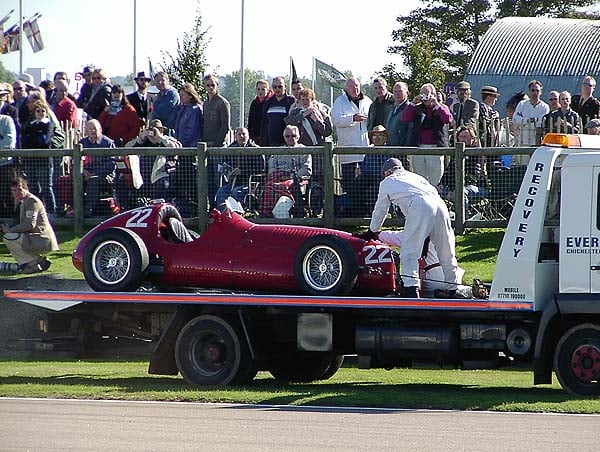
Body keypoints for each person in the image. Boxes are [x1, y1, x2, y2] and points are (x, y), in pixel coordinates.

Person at [362, 158, 460, 298]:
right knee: (446, 250)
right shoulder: (416, 177)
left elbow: (380, 210)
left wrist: (372, 231)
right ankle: (453, 288)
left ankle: (411, 289)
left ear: (388, 172)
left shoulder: (387, 182)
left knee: (409, 252)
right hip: (440, 205)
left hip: (420, 205)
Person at [378, 230, 464, 297]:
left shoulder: (418, 232)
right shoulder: (448, 231)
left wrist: (376, 233)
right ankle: (463, 292)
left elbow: (390, 237)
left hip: (432, 278)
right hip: (453, 276)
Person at [331, 77, 373, 216]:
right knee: (349, 182)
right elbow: (336, 120)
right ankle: (351, 212)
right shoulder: (339, 102)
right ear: (346, 88)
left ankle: (364, 211)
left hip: (365, 148)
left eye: (356, 86)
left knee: (365, 181)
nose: (355, 89)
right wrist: (352, 118)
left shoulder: (367, 101)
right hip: (348, 149)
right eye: (351, 87)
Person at [0, 177, 59, 274]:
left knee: (9, 237)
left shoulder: (32, 201)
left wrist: (10, 230)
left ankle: (33, 262)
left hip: (42, 239)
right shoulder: (23, 202)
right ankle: (36, 261)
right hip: (34, 238)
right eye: (14, 190)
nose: (16, 193)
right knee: (11, 237)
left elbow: (29, 224)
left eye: (19, 189)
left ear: (26, 188)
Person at [402, 83, 453, 186]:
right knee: (419, 179)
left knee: (435, 179)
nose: (425, 98)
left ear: (434, 95)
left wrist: (436, 104)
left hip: (435, 148)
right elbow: (404, 118)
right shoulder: (416, 108)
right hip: (419, 147)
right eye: (423, 95)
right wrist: (412, 103)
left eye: (428, 95)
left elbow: (448, 119)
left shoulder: (441, 107)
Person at [261, 125, 312, 218]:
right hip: (278, 177)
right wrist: (279, 175)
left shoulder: (304, 150)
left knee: (283, 186)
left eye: (292, 136)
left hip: (296, 179)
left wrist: (293, 176)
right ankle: (267, 213)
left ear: (297, 137)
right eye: (287, 136)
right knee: (269, 186)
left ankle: (286, 211)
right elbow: (271, 168)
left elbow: (307, 169)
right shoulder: (278, 151)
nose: (290, 138)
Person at [125, 119, 182, 201]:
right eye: (151, 130)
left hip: (160, 177)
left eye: (157, 129)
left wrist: (160, 137)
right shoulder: (143, 142)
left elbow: (176, 148)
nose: (153, 133)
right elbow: (126, 148)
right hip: (143, 178)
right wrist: (140, 139)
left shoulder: (167, 140)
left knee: (162, 183)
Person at [215, 127, 265, 209]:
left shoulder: (256, 150)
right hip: (233, 182)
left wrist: (242, 171)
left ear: (248, 136)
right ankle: (224, 216)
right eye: (239, 134)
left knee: (236, 192)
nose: (241, 136)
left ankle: (237, 215)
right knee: (221, 192)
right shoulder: (230, 149)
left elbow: (261, 169)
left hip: (249, 184)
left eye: (244, 134)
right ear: (235, 136)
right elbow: (224, 165)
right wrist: (228, 172)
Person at [79, 120, 117, 217]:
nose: (92, 131)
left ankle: (88, 210)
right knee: (72, 180)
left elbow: (111, 166)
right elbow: (75, 161)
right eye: (89, 129)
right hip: (85, 174)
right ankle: (75, 208)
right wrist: (83, 171)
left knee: (93, 181)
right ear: (86, 131)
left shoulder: (108, 143)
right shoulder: (82, 143)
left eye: (94, 129)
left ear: (100, 129)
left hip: (105, 176)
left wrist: (94, 174)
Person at [512, 80, 549, 153]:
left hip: (537, 142)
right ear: (529, 91)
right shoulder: (522, 104)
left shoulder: (544, 107)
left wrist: (523, 121)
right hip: (523, 141)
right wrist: (528, 120)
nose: (535, 93)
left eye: (537, 91)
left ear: (540, 92)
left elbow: (540, 123)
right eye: (533, 90)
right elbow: (515, 119)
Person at [261, 76, 295, 146]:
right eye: (274, 87)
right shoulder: (267, 103)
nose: (277, 89)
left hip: (287, 144)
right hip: (270, 144)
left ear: (285, 86)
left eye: (280, 86)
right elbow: (264, 123)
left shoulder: (292, 101)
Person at [202, 74, 230, 148]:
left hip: (219, 145)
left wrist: (217, 143)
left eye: (213, 85)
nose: (210, 87)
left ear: (217, 85)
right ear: (204, 86)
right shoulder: (205, 103)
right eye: (208, 85)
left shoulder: (222, 103)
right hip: (206, 143)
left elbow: (225, 126)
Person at [0, 113, 17, 217]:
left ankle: (11, 222)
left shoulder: (6, 120)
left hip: (5, 164)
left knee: (7, 194)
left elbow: (10, 142)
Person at [247, 79, 272, 146]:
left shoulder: (271, 102)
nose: (260, 92)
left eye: (263, 89)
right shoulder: (254, 103)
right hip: (255, 137)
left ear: (268, 90)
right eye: (258, 89)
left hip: (268, 137)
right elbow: (250, 121)